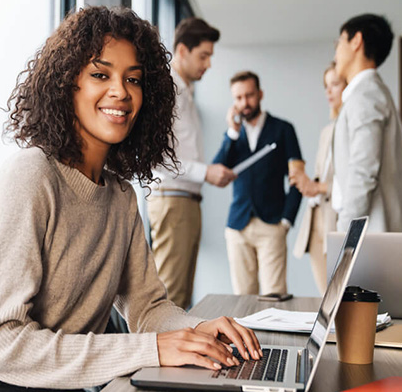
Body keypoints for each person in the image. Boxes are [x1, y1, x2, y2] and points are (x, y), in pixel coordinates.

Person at [0, 6, 261, 392]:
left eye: (133, 79)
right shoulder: (32, 175)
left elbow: (147, 307)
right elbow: (0, 344)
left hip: (57, 380)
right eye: (100, 75)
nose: (120, 91)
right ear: (68, 84)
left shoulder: (121, 196)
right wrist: (149, 349)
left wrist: (197, 330)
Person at [147, 17, 235, 310]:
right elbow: (157, 158)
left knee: (180, 298)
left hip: (185, 201)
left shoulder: (184, 91)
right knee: (170, 300)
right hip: (174, 200)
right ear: (182, 51)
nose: (208, 64)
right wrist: (205, 172)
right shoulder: (169, 89)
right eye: (204, 56)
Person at [213, 71, 303, 296]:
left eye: (249, 95)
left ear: (260, 94)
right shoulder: (233, 136)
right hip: (238, 226)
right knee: (243, 298)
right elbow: (216, 172)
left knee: (274, 296)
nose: (244, 103)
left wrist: (286, 221)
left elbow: (297, 178)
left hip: (272, 224)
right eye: (238, 98)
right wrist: (232, 134)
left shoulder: (283, 129)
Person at [331, 13, 402, 232]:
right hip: (372, 232)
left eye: (338, 43)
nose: (335, 52)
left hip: (370, 234)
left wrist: (344, 230)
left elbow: (364, 170)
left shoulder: (366, 95)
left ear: (356, 41)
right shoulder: (370, 93)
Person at [290, 63, 346, 294]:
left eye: (335, 84)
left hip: (336, 221)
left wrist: (319, 186)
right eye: (326, 86)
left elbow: (353, 182)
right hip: (315, 224)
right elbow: (321, 176)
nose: (328, 92)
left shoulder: (352, 129)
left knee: (340, 296)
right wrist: (305, 182)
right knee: (325, 297)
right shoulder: (327, 131)